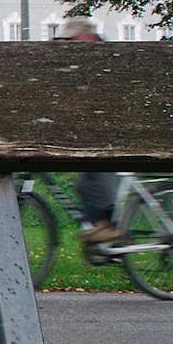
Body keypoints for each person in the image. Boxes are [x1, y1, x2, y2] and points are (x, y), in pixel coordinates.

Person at [56, 17, 119, 243]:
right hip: (101, 132)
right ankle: (102, 228)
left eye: (72, 39)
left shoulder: (102, 58)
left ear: (88, 36)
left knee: (99, 168)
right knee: (84, 184)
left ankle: (110, 228)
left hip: (113, 134)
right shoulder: (86, 61)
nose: (67, 44)